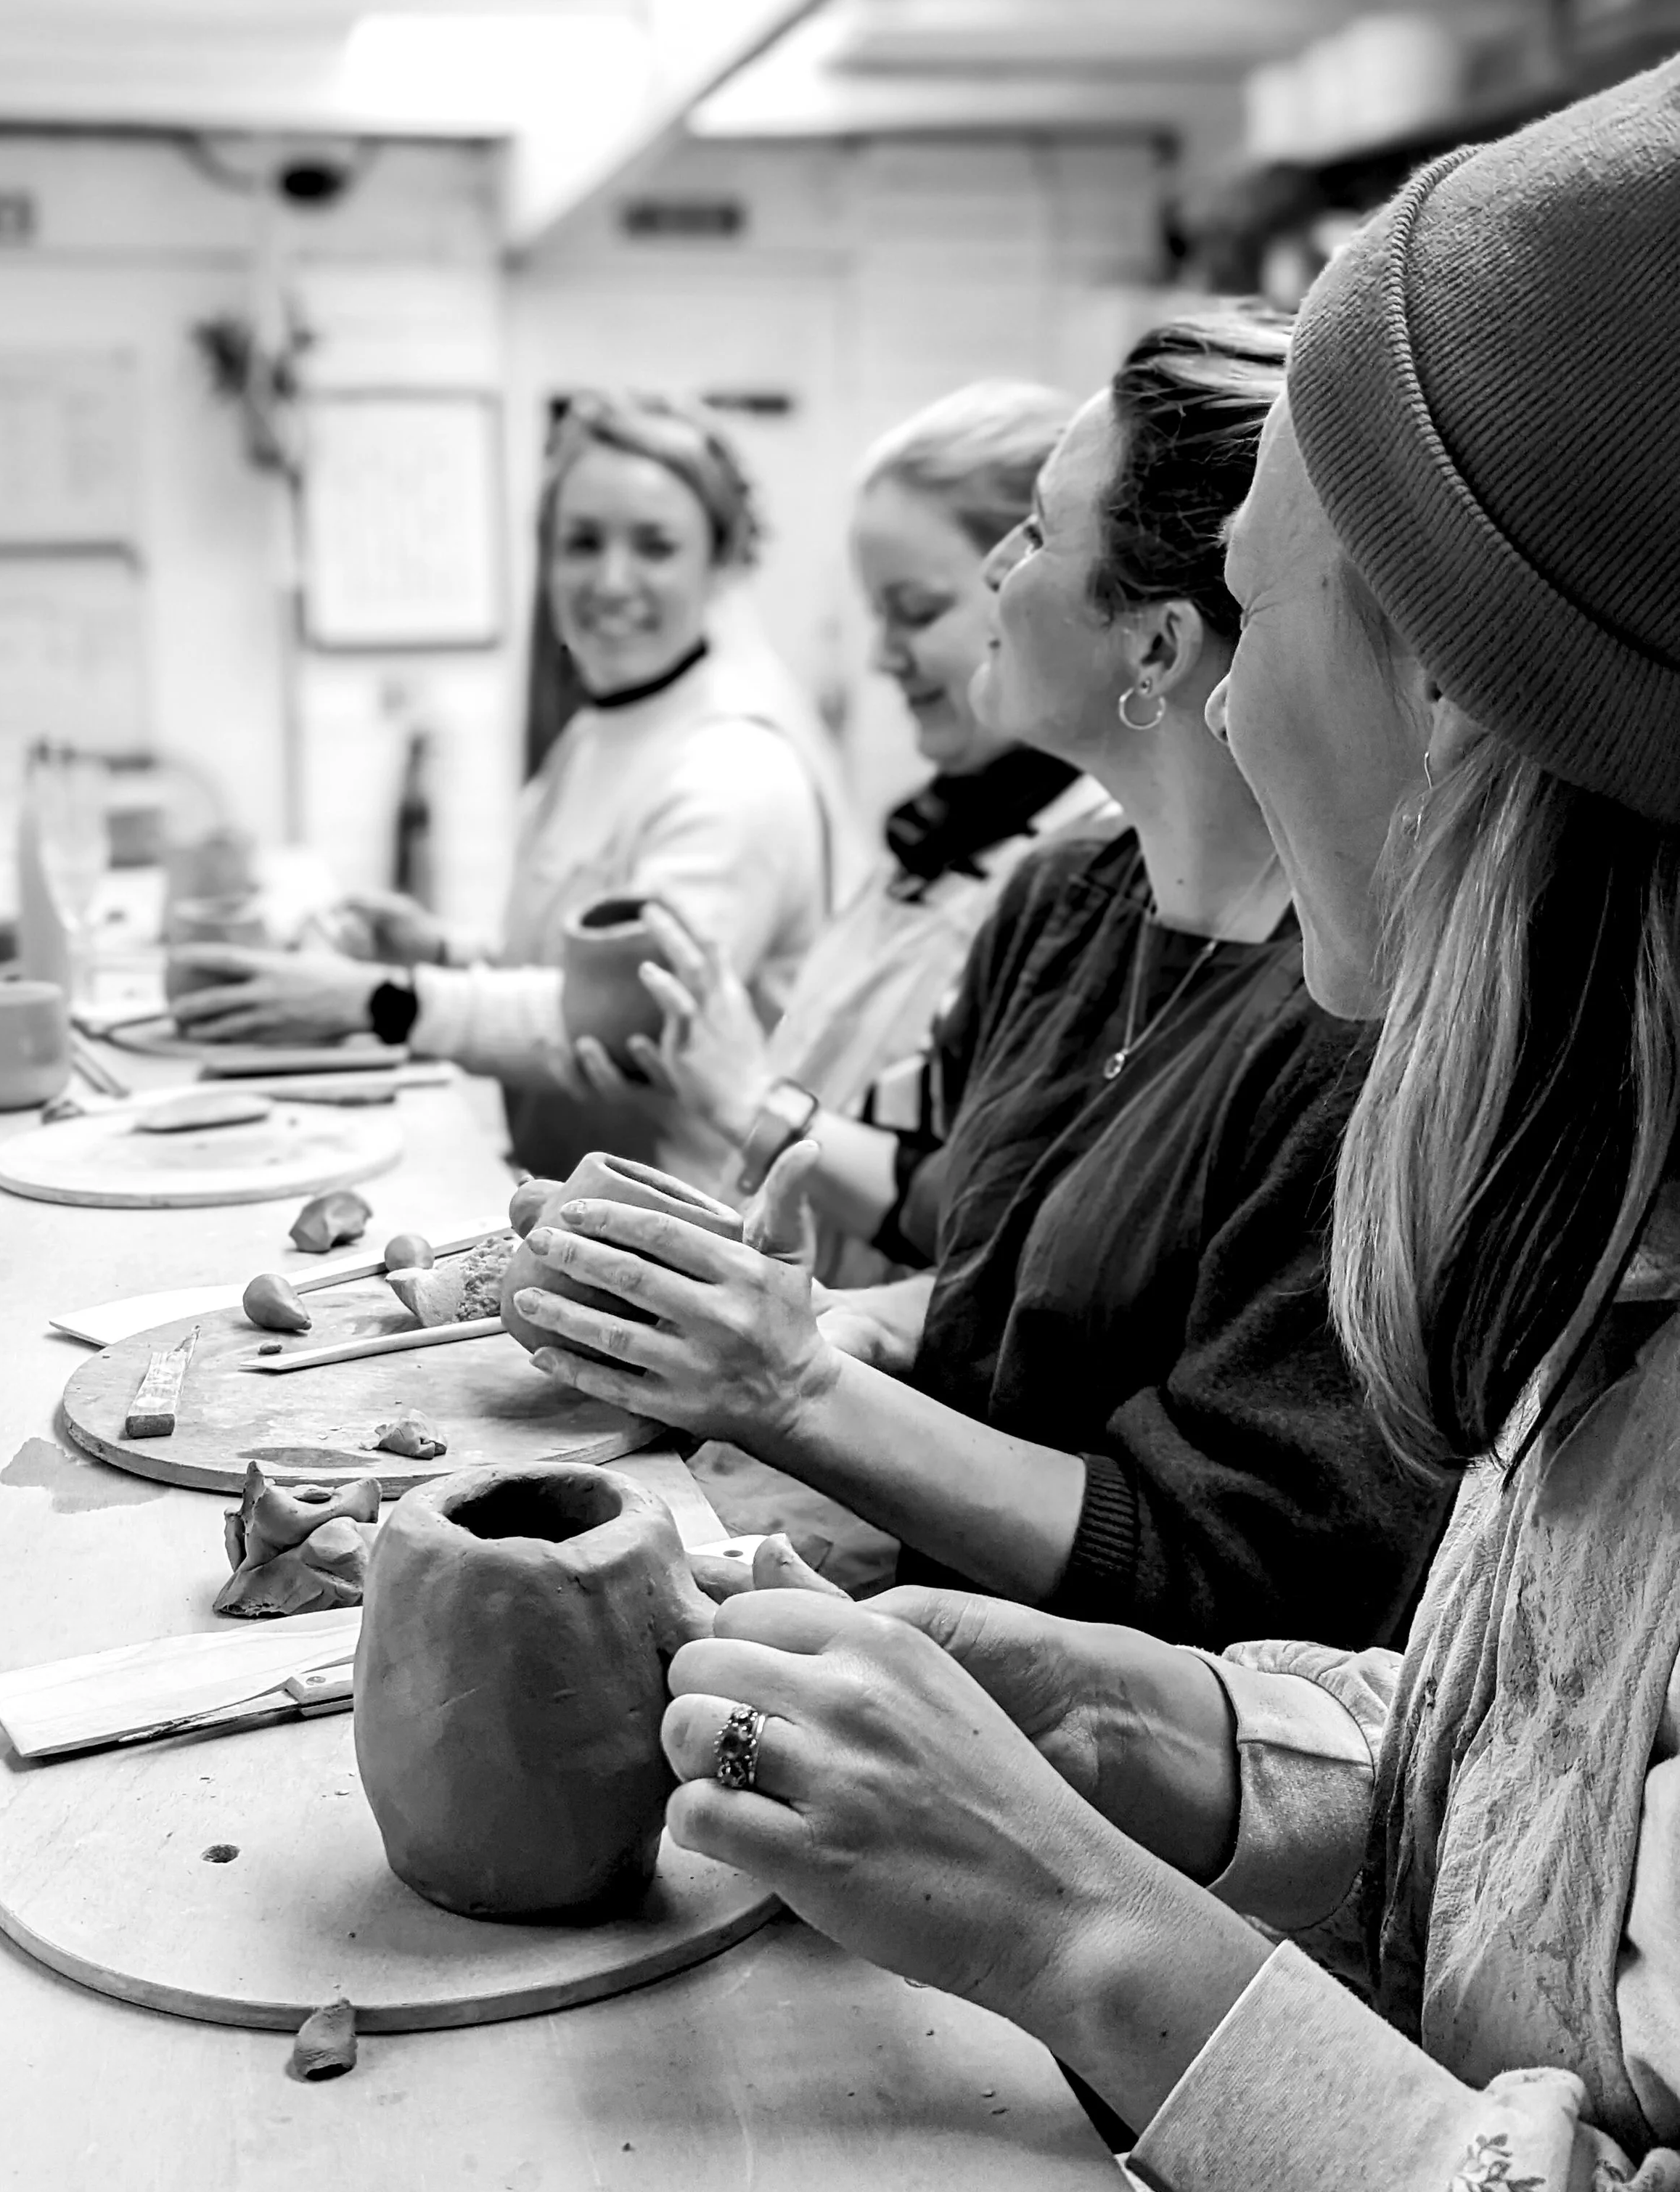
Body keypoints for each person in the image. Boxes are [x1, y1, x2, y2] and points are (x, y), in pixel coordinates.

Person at [643, 60, 1680, 2192]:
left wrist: (1083, 1924)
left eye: (1257, 611)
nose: (1207, 705)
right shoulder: (1612, 1259)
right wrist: (1167, 1729)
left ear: (1461, 710)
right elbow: (1533, 1779)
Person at [508, 309, 1452, 1652]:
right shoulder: (1061, 902)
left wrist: (795, 1381)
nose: (997, 579)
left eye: (1036, 537)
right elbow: (999, 1304)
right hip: (928, 1634)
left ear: (1159, 646)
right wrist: (797, 1324)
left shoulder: (1352, 1019)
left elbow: (1231, 1564)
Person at [168, 392, 844, 1179]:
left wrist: (379, 998)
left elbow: (627, 1018)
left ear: (721, 565)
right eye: (581, 543)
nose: (611, 579)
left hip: (685, 1230)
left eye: (655, 546)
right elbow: (567, 973)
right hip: (569, 1200)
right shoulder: (596, 736)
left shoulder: (734, 770)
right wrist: (447, 953)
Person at [576, 380, 1118, 1289]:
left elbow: (990, 1221)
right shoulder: (935, 835)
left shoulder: (1090, 870)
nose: (878, 655)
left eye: (917, 611)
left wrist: (753, 1102)